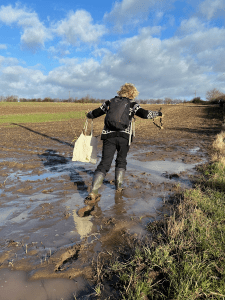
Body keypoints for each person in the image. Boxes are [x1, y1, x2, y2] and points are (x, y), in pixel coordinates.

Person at [85, 83, 162, 204]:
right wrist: (158, 114)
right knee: (121, 161)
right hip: (124, 137)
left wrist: (88, 114)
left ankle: (93, 192)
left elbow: (95, 113)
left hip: (108, 136)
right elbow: (145, 114)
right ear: (132, 93)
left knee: (105, 163)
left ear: (121, 91)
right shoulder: (132, 104)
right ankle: (119, 188)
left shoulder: (109, 102)